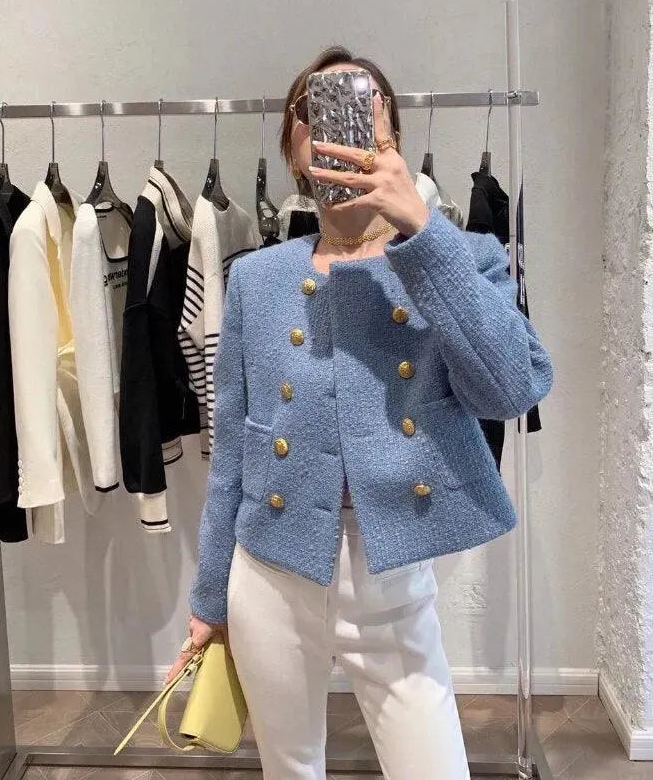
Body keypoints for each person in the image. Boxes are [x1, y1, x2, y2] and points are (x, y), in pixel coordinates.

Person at [165, 46, 554, 780]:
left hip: (391, 577)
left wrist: (420, 231)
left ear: (390, 135)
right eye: (311, 113)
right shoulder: (256, 278)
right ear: (293, 148)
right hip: (269, 573)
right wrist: (210, 597)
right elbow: (234, 453)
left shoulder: (459, 255)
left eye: (360, 106)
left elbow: (512, 388)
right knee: (290, 767)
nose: (333, 126)